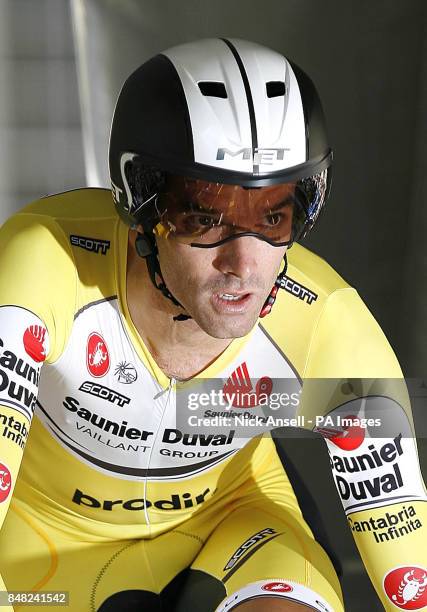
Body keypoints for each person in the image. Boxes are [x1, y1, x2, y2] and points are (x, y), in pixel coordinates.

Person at [0, 37, 425, 612]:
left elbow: (408, 567)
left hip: (232, 528)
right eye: (205, 219)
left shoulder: (325, 320)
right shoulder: (43, 261)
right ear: (144, 207)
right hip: (38, 550)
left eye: (274, 218)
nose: (244, 266)